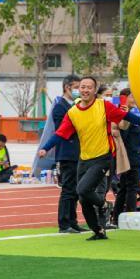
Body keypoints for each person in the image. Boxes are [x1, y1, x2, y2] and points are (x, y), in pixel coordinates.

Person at [38, 76, 140, 241]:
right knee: (83, 198)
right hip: (84, 160)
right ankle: (98, 231)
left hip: (103, 158)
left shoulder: (103, 106)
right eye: (82, 87)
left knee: (82, 190)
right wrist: (45, 148)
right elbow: (60, 134)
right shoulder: (73, 112)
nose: (85, 90)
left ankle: (104, 205)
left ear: (94, 90)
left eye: (88, 87)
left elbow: (126, 117)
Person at [52, 74, 87, 234]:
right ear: (67, 88)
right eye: (77, 87)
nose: (80, 91)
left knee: (75, 189)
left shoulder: (75, 105)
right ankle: (64, 223)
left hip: (78, 152)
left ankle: (73, 221)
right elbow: (63, 130)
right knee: (68, 189)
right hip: (67, 153)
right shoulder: (60, 106)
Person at [112, 88, 140, 224]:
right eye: (132, 97)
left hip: (131, 156)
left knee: (124, 188)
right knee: (132, 188)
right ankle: (131, 217)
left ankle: (117, 218)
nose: (135, 100)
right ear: (125, 98)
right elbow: (123, 133)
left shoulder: (128, 113)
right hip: (130, 157)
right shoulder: (124, 114)